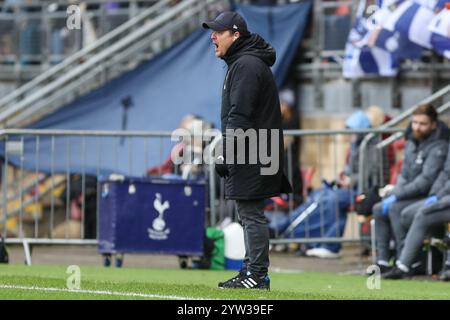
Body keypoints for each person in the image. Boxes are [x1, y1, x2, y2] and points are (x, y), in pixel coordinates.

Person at [203, 11, 292, 290]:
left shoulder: (246, 65)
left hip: (252, 151)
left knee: (251, 214)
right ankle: (250, 270)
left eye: (219, 32)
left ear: (236, 35)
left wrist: (225, 153)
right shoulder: (244, 63)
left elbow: (239, 115)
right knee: (247, 212)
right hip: (253, 148)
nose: (213, 37)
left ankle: (257, 274)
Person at [371, 104, 449, 273]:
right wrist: (395, 193)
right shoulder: (411, 142)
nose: (417, 127)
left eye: (422, 124)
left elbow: (426, 181)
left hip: (425, 193)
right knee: (379, 208)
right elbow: (404, 174)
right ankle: (383, 260)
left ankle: (405, 260)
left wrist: (435, 195)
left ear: (433, 125)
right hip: (418, 193)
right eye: (414, 123)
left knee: (397, 210)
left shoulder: (440, 146)